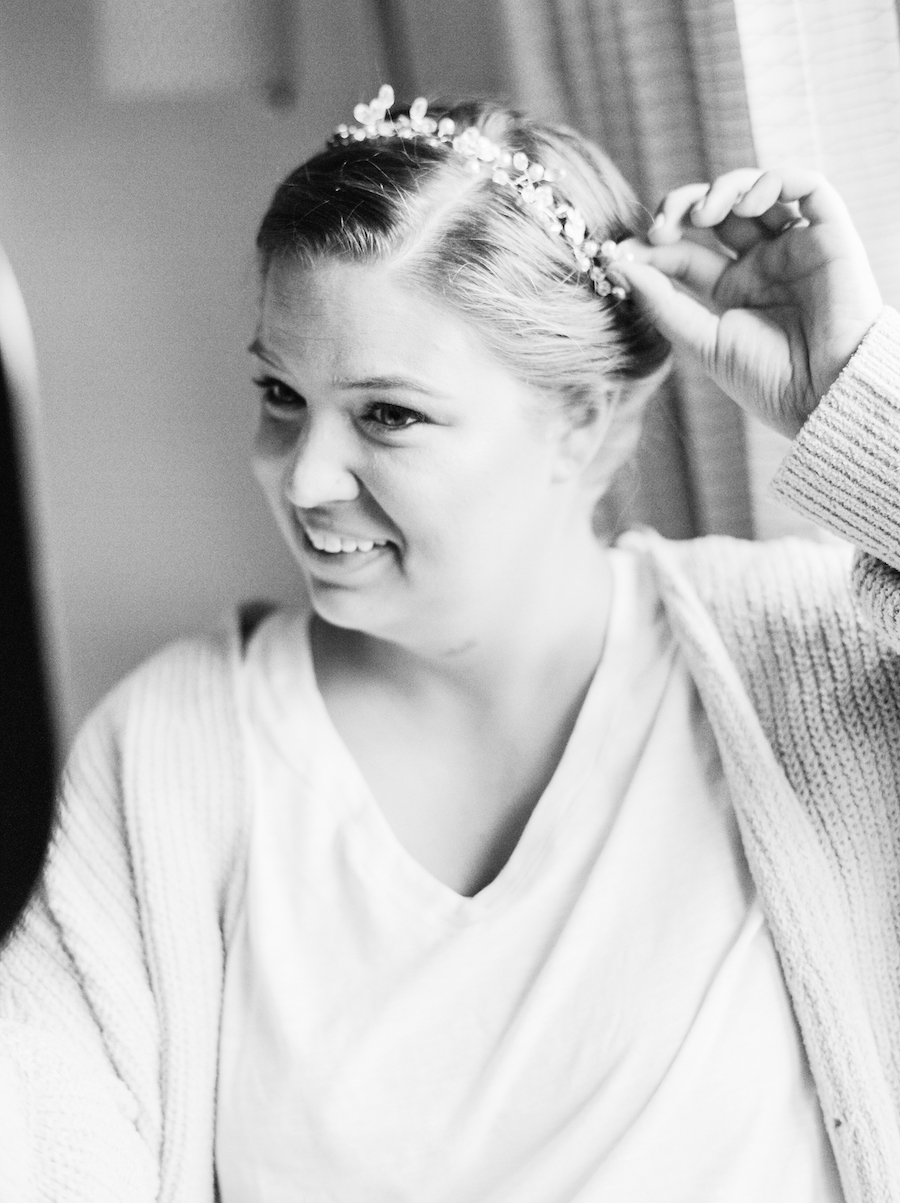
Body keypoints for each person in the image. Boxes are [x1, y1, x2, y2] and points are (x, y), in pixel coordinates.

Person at [1, 88, 898, 1202]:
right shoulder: (162, 756)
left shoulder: (806, 663)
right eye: (282, 394)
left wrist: (854, 396)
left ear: (584, 418)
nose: (302, 476)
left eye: (389, 415)